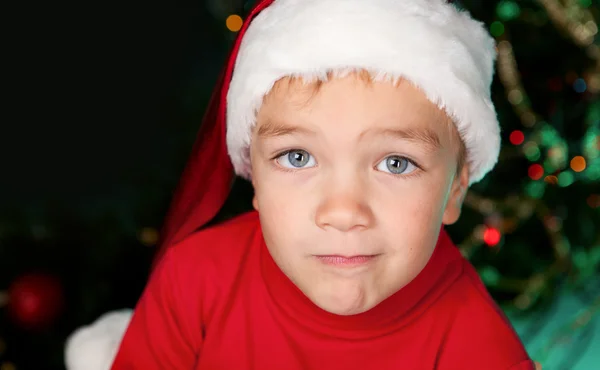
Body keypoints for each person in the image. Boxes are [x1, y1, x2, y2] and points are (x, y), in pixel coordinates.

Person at [110, 0, 540, 368]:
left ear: (456, 189)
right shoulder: (193, 280)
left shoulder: (480, 352)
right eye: (298, 157)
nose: (343, 211)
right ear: (253, 175)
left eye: (396, 163)